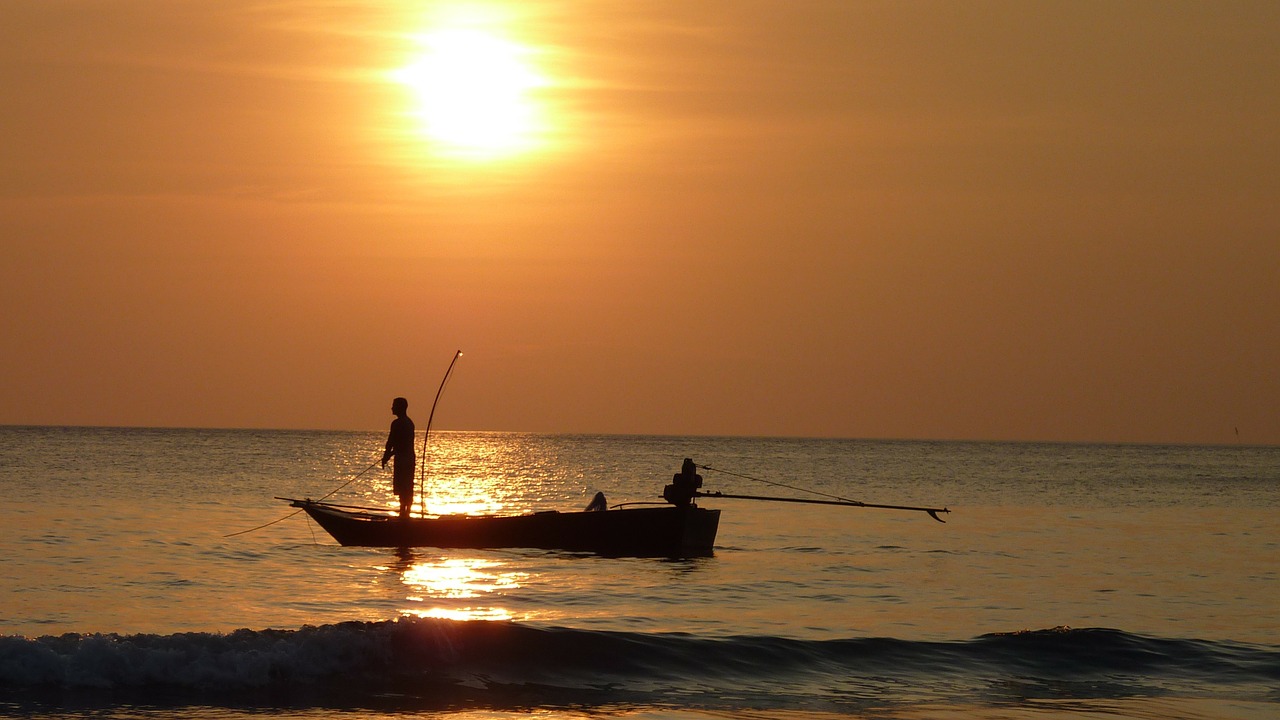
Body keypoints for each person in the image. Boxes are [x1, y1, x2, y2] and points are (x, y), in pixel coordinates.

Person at [381, 397, 416, 518]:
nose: (392, 408)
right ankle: (406, 513)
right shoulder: (410, 423)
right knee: (407, 486)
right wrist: (389, 455)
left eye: (394, 405)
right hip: (410, 458)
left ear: (400, 407)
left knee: (403, 487)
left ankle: (403, 513)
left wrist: (387, 456)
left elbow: (392, 442)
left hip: (403, 459)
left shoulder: (397, 423)